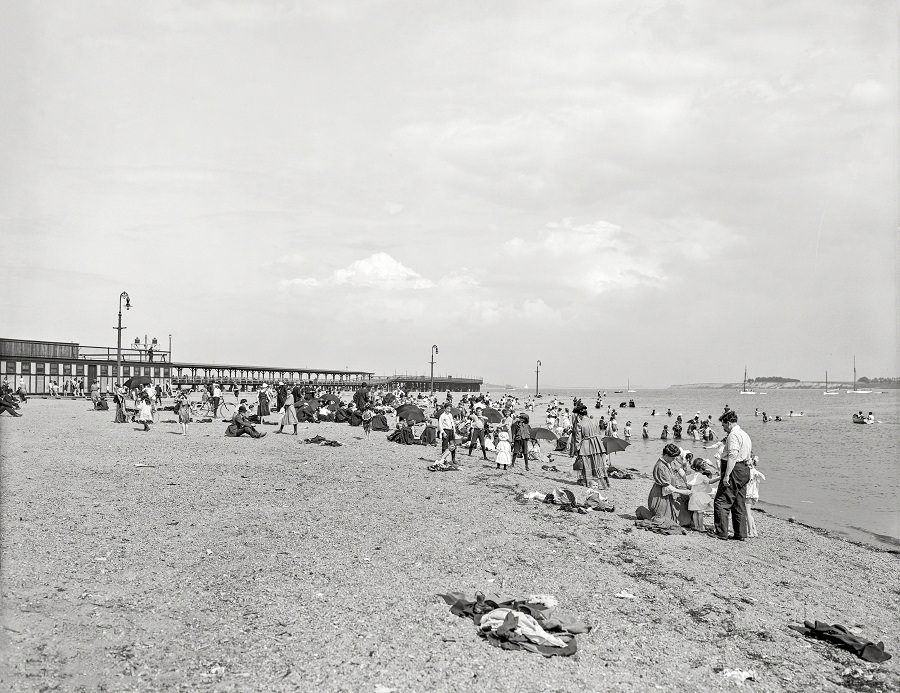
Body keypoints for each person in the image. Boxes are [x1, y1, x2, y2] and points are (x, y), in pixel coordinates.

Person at [712, 409, 752, 541]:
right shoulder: (744, 434)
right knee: (738, 502)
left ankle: (721, 532)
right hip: (744, 470)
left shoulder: (733, 435)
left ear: (728, 423)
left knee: (721, 501)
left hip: (734, 469)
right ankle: (740, 533)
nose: (723, 429)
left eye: (723, 425)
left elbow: (733, 455)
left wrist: (727, 475)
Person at [636, 443, 692, 525]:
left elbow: (680, 470)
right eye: (673, 457)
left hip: (669, 493)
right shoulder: (660, 467)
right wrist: (683, 492)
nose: (674, 459)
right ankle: (641, 511)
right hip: (660, 495)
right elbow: (668, 487)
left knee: (685, 519)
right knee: (666, 521)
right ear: (666, 455)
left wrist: (687, 483)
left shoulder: (671, 461)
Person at [569, 403, 609, 490]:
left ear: (579, 415)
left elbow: (578, 438)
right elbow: (598, 433)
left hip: (586, 444)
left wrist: (577, 448)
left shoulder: (580, 424)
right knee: (598, 463)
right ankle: (601, 483)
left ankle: (588, 482)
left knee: (587, 464)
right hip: (597, 444)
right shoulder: (594, 420)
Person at [687, 457, 720, 531]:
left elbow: (689, 483)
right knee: (700, 512)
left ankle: (696, 526)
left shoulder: (695, 475)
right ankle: (701, 527)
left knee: (695, 512)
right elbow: (710, 481)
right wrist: (719, 478)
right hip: (700, 496)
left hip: (693, 495)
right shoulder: (703, 477)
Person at [745, 455, 766, 538]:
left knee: (747, 513)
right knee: (748, 512)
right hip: (753, 494)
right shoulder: (755, 471)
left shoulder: (749, 472)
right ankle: (754, 530)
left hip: (748, 493)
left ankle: (751, 532)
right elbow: (762, 477)